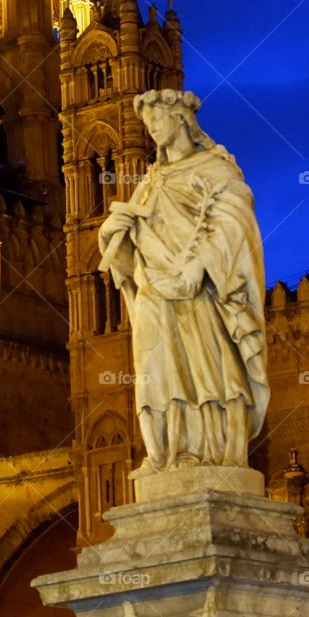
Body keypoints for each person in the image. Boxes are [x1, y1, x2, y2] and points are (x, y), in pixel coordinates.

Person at [98, 89, 269, 473]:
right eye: (147, 124)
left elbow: (235, 221)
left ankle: (217, 454)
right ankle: (169, 454)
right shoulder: (152, 179)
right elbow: (129, 248)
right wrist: (111, 232)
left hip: (201, 289)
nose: (152, 129)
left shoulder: (216, 169)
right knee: (157, 374)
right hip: (154, 293)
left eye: (157, 119)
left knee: (211, 368)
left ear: (181, 119)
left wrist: (202, 264)